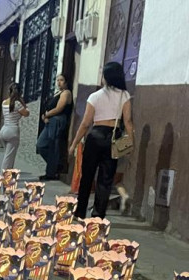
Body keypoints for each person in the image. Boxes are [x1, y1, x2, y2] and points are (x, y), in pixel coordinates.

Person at [70, 61, 135, 218]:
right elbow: (127, 122)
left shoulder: (95, 96)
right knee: (105, 179)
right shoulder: (124, 96)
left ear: (106, 77)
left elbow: (85, 123)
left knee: (87, 176)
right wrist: (130, 143)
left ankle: (80, 212)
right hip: (113, 138)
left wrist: (74, 143)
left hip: (95, 136)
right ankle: (98, 215)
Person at [35, 74, 73, 180]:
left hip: (57, 120)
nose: (59, 82)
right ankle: (55, 166)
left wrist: (47, 115)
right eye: (57, 80)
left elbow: (59, 108)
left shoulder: (66, 93)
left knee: (53, 146)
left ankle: (51, 172)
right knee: (41, 145)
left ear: (66, 82)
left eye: (61, 80)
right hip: (50, 121)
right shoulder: (58, 93)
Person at [0, 82, 29, 171]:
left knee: (8, 156)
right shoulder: (18, 104)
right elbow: (27, 113)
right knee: (8, 158)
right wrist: (23, 102)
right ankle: (3, 179)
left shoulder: (4, 102)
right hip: (12, 132)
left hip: (3, 130)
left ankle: (9, 175)